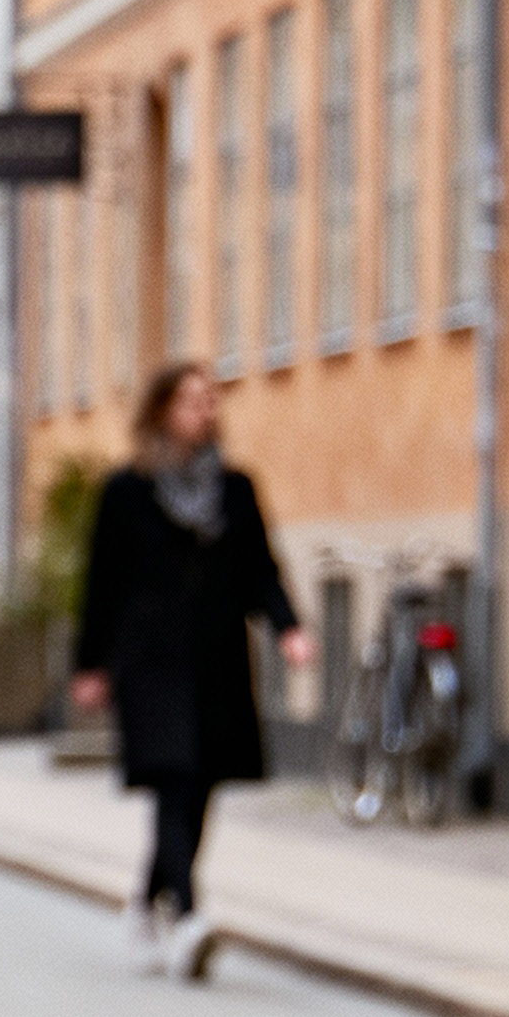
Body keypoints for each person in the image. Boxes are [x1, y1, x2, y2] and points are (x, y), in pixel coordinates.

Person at [72, 362, 302, 973]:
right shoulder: (128, 491)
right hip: (149, 660)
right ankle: (190, 917)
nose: (205, 412)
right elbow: (101, 582)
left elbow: (260, 569)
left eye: (210, 401)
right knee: (175, 778)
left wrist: (289, 628)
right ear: (162, 412)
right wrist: (90, 663)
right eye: (192, 401)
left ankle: (147, 901)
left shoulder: (235, 489)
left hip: (217, 658)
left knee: (199, 787)